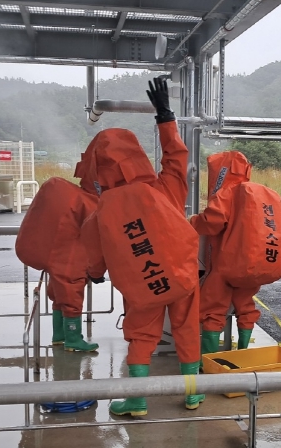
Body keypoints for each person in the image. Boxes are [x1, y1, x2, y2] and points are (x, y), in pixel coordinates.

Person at [80, 77, 204, 416]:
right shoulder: (164, 188)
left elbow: (94, 256)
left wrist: (95, 273)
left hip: (144, 287)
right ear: (136, 156)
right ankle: (193, 394)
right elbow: (176, 158)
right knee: (187, 332)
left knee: (141, 337)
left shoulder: (101, 211)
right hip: (183, 278)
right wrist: (165, 116)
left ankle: (136, 401)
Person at [189, 151, 281, 359]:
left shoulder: (227, 193)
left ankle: (208, 360)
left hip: (225, 267)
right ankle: (242, 354)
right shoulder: (261, 194)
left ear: (220, 173)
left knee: (212, 311)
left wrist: (192, 221)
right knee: (246, 307)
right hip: (253, 265)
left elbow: (212, 222)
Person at [15, 142, 105, 352]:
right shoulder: (91, 203)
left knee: (57, 294)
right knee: (72, 295)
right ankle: (73, 339)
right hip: (72, 259)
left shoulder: (67, 192)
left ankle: (59, 335)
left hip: (58, 256)